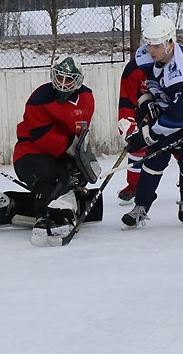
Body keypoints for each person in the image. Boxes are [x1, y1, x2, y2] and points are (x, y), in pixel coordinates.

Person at [122, 15, 183, 228]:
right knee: (154, 156)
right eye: (149, 44)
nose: (151, 50)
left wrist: (146, 135)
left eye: (156, 45)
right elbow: (137, 74)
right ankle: (141, 206)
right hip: (175, 106)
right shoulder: (150, 54)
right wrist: (146, 100)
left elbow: (178, 118)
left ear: (170, 43)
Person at [12, 56, 96, 241]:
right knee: (53, 177)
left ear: (78, 81)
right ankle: (45, 218)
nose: (63, 83)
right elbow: (41, 137)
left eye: (68, 79)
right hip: (30, 152)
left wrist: (81, 158)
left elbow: (81, 131)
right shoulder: (40, 98)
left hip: (60, 155)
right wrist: (70, 150)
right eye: (59, 77)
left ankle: (10, 205)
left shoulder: (87, 97)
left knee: (75, 179)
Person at [116, 44, 154, 205]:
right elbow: (126, 100)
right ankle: (134, 186)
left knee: (180, 144)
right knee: (137, 144)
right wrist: (128, 124)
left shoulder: (175, 63)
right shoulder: (134, 68)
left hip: (170, 110)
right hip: (143, 110)